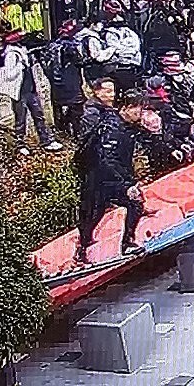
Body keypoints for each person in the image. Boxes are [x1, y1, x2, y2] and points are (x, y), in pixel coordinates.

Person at [74, 90, 150, 263]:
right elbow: (107, 160)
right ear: (126, 108)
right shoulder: (111, 128)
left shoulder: (127, 126)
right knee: (93, 214)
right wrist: (126, 185)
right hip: (97, 179)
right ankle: (83, 248)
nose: (139, 115)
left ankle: (127, 242)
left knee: (135, 204)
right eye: (137, 111)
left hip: (112, 179)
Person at [0, 31, 63, 156]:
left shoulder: (23, 50)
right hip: (19, 92)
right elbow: (9, 74)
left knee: (39, 116)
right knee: (20, 119)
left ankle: (46, 141)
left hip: (30, 90)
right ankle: (20, 144)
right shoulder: (11, 54)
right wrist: (21, 65)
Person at [44, 21, 87, 138]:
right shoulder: (71, 46)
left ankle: (62, 130)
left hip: (56, 84)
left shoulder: (51, 46)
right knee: (77, 109)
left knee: (58, 108)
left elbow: (46, 66)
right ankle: (77, 134)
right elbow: (81, 61)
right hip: (71, 83)